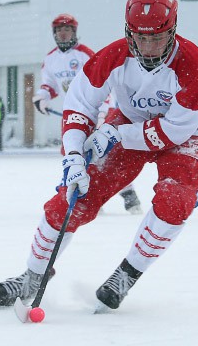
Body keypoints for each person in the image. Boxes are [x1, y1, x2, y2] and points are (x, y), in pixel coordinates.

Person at [0, 0, 198, 311]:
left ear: (172, 31)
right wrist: (73, 155)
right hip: (129, 121)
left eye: (156, 38)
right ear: (128, 31)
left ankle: (127, 274)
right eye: (139, 37)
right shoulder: (112, 56)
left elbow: (171, 132)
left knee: (176, 199)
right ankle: (32, 275)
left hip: (193, 130)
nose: (147, 47)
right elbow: (79, 106)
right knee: (75, 197)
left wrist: (116, 135)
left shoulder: (195, 66)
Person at [33, 13, 142, 214]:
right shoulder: (50, 59)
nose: (63, 34)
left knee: (106, 155)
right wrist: (42, 98)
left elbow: (103, 83)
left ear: (74, 32)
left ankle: (129, 196)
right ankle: (81, 195)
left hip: (97, 110)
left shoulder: (86, 55)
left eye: (67, 29)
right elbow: (49, 85)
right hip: (73, 111)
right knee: (72, 152)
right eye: (59, 30)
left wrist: (102, 114)